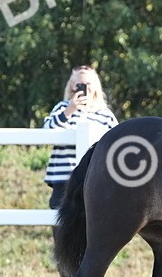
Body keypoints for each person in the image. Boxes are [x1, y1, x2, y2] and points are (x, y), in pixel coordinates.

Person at [43, 66, 119, 209]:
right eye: (80, 84)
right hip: (63, 176)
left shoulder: (105, 114)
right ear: (73, 86)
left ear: (95, 86)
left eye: (88, 84)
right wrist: (69, 111)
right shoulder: (62, 108)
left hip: (94, 176)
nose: (85, 88)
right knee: (61, 216)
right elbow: (46, 131)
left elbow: (116, 143)